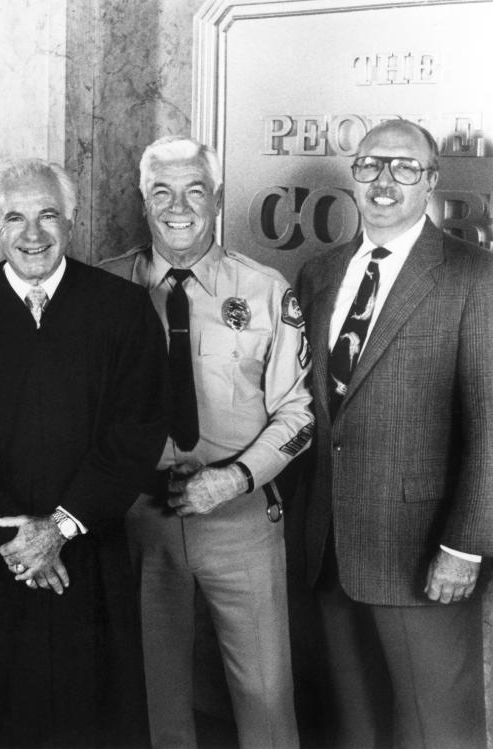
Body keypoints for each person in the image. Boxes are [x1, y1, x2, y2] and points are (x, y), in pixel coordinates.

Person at [0, 157, 168, 748]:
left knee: (93, 718)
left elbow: (136, 430)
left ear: (72, 220)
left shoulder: (122, 309)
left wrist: (59, 526)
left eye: (48, 215)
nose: (33, 234)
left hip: (87, 552)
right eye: (14, 218)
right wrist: (17, 539)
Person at [100, 135, 312, 748]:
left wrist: (235, 479)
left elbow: (298, 416)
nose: (178, 205)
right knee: (156, 697)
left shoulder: (266, 290)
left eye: (195, 189)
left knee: (265, 696)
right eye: (161, 190)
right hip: (141, 518)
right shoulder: (103, 289)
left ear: (217, 198)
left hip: (240, 516)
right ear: (143, 201)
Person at [296, 118, 493, 748]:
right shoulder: (319, 273)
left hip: (424, 550)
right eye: (371, 164)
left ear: (431, 180)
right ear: (352, 175)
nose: (385, 181)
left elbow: (492, 423)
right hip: (328, 546)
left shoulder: (475, 276)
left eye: (405, 167)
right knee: (356, 726)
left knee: (438, 728)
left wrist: (465, 547)